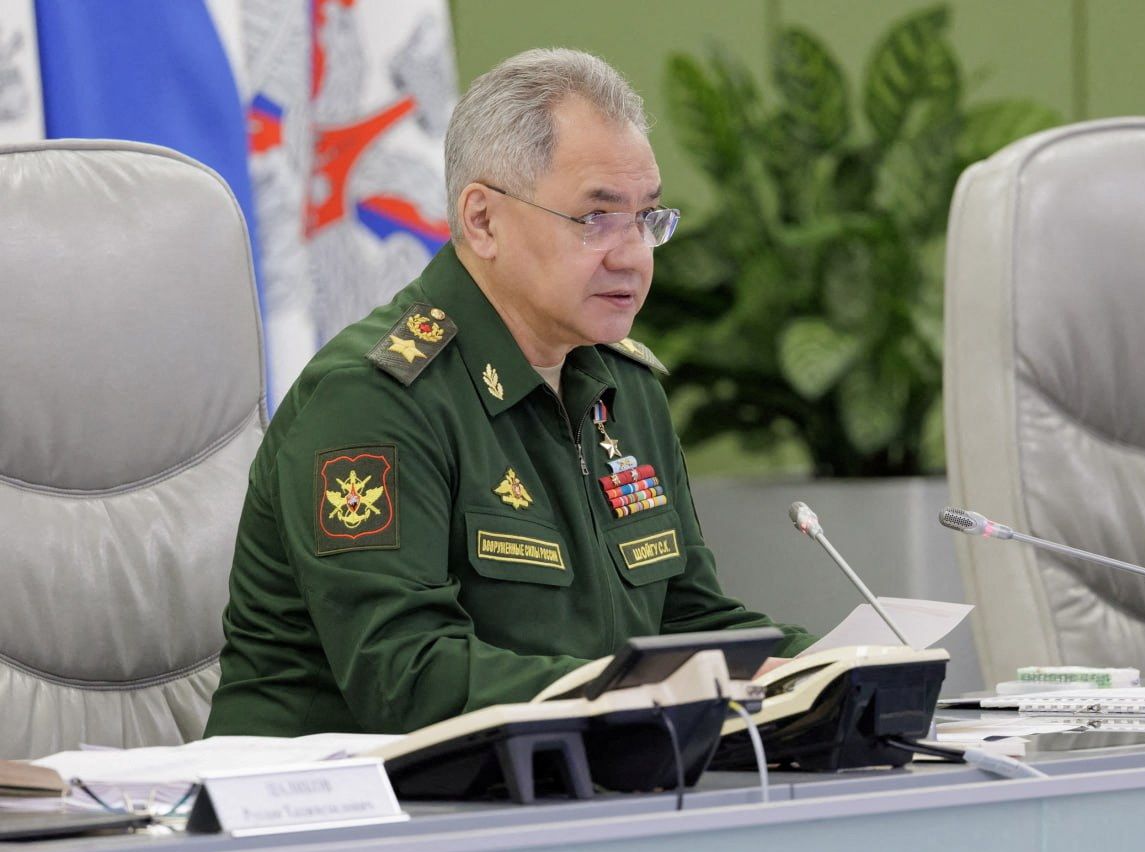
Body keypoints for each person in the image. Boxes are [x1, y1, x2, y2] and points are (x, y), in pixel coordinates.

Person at [205, 48, 812, 737]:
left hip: (560, 786)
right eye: (596, 219)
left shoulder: (625, 388)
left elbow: (689, 620)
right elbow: (408, 675)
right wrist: (626, 696)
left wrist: (826, 670)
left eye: (647, 218)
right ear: (483, 220)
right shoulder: (374, 398)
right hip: (338, 818)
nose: (634, 254)